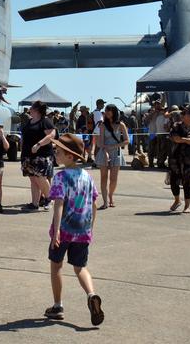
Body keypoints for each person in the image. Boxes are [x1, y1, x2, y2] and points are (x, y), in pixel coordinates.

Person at [43, 133, 104, 327]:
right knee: (80, 268)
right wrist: (90, 227)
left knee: (56, 265)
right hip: (82, 231)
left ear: (70, 156)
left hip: (65, 231)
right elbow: (94, 204)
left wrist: (57, 231)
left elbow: (59, 204)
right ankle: (91, 294)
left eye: (59, 152)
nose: (55, 154)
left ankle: (58, 305)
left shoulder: (60, 177)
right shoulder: (87, 176)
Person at [21, 101, 55, 211]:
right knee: (33, 179)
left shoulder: (45, 121)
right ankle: (34, 204)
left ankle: (50, 199)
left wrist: (39, 144)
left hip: (42, 155)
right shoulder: (29, 121)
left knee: (41, 178)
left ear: (36, 110)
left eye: (31, 107)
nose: (29, 109)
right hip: (28, 155)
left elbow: (51, 135)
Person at [96, 105, 129, 209]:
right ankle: (105, 201)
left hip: (117, 152)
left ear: (114, 112)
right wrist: (105, 150)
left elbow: (127, 141)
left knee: (113, 179)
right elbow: (100, 142)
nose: (107, 112)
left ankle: (110, 196)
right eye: (106, 110)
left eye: (109, 110)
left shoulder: (121, 124)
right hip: (104, 152)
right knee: (103, 177)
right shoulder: (102, 125)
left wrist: (114, 146)